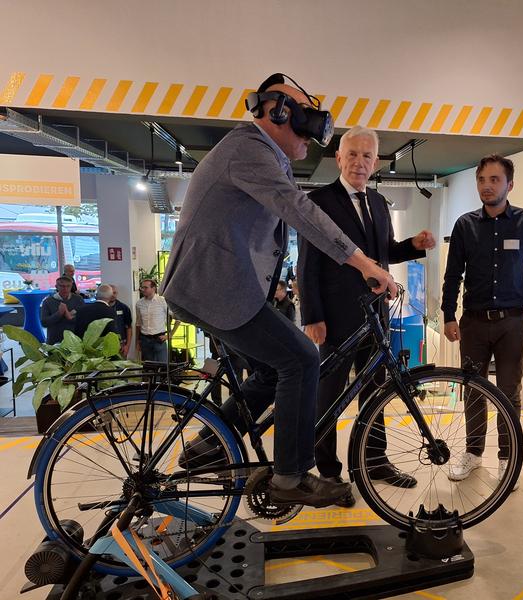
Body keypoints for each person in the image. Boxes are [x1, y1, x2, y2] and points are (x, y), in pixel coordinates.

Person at [160, 73, 396, 509]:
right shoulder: (248, 149)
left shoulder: (264, 154)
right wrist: (365, 264)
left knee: (271, 370)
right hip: (214, 288)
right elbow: (300, 212)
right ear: (279, 112)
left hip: (218, 288)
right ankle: (289, 476)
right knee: (302, 358)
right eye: (307, 123)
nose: (313, 138)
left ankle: (207, 445)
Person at [299, 125, 435, 506]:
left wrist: (413, 245)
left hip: (375, 315)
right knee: (329, 396)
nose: (360, 162)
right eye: (353, 154)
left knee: (375, 391)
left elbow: (384, 252)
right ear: (338, 159)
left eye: (367, 156)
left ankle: (374, 460)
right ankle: (327, 473)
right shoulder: (319, 201)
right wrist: (312, 315)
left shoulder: (378, 202)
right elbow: (307, 264)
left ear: (376, 163)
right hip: (334, 318)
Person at [441, 154, 523, 487]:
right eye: (482, 180)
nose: (487, 186)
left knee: (509, 392)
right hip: (473, 323)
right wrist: (449, 316)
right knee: (473, 389)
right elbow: (453, 275)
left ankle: (508, 457)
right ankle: (474, 453)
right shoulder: (465, 225)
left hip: (512, 323)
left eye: (494, 180)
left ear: (510, 184)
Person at [40, 276, 85, 344]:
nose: (65, 289)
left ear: (71, 286)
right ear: (56, 286)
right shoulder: (48, 301)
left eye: (68, 286)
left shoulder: (78, 299)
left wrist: (69, 316)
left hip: (74, 341)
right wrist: (59, 313)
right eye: (62, 286)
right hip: (54, 340)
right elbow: (44, 323)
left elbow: (83, 320)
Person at [135, 279, 170, 362]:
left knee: (162, 367)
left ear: (153, 288)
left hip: (159, 339)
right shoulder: (139, 303)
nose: (142, 289)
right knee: (149, 368)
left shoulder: (162, 301)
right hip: (145, 340)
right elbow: (138, 323)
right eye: (142, 287)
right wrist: (137, 341)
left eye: (145, 287)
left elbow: (177, 318)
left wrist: (170, 335)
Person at [108, 284, 133, 357]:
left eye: (115, 293)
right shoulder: (101, 308)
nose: (113, 295)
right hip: (105, 345)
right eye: (111, 293)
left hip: (121, 346)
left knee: (121, 367)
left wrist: (127, 346)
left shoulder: (124, 308)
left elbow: (129, 328)